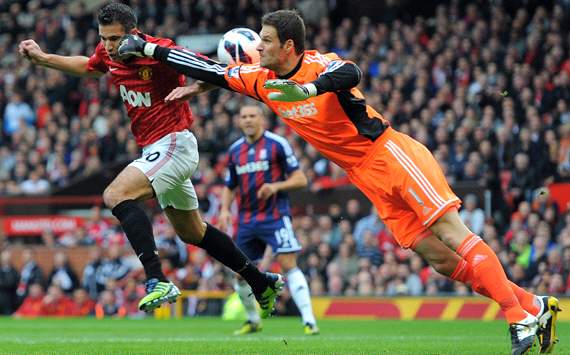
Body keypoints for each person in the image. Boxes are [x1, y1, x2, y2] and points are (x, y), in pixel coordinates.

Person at [119, 9, 562, 353]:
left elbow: (351, 72)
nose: (258, 47)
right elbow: (209, 70)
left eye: (266, 41)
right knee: (440, 260)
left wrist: (309, 91)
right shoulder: (262, 81)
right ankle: (532, 306)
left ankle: (515, 316)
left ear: (287, 45)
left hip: (391, 154)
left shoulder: (317, 66)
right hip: (364, 176)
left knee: (452, 233)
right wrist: (148, 48)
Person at [18, 2, 283, 316]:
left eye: (115, 39)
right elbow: (90, 66)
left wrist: (193, 91)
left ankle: (157, 279)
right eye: (104, 38)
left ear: (132, 33)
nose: (108, 46)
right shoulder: (107, 52)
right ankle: (261, 281)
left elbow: (218, 72)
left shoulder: (159, 51)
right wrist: (44, 58)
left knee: (116, 194)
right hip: (155, 149)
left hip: (174, 143)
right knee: (192, 232)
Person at [218, 104, 319, 335]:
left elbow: (301, 179)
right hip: (246, 221)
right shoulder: (235, 151)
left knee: (288, 264)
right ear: (239, 121)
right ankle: (253, 321)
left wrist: (275, 186)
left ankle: (309, 321)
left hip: (275, 217)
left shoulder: (277, 144)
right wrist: (224, 209)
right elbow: (229, 185)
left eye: (252, 115)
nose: (248, 120)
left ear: (261, 119)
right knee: (240, 272)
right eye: (243, 116)